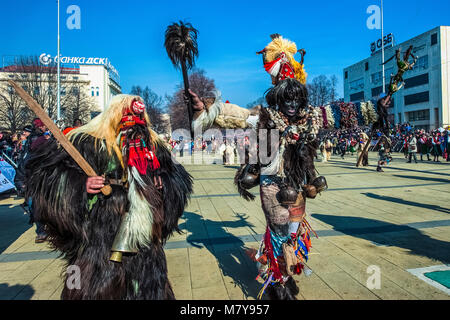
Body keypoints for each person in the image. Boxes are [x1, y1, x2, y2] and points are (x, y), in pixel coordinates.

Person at [188, 35, 325, 300]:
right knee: (280, 230)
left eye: (296, 99)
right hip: (272, 184)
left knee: (293, 232)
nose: (292, 105)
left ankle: (279, 272)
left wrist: (379, 106)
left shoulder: (311, 120)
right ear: (278, 98)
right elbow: (235, 115)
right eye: (287, 99)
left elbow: (345, 111)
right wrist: (206, 108)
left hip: (297, 186)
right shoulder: (264, 117)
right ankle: (277, 284)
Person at [24, 95, 193, 299]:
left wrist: (163, 182)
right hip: (98, 237)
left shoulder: (153, 145)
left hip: (144, 240)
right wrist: (81, 185)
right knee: (94, 288)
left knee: (147, 287)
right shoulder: (86, 142)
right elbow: (46, 176)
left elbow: (177, 175)